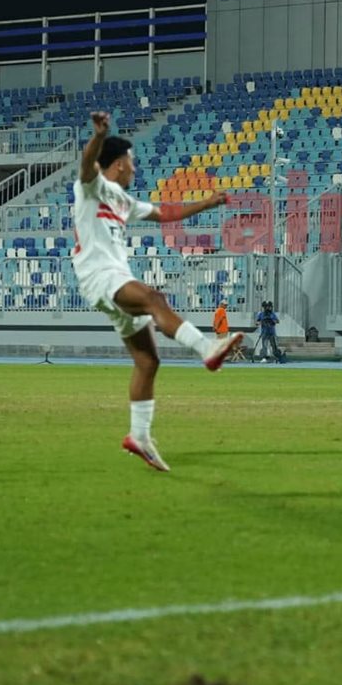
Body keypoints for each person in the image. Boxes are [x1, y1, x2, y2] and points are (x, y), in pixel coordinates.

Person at [73, 111, 243, 472]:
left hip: (115, 276)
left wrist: (209, 203)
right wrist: (99, 137)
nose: (135, 168)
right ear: (118, 164)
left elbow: (167, 213)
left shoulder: (123, 200)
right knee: (154, 299)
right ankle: (207, 348)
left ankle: (140, 436)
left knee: (148, 361)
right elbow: (87, 164)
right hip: (99, 275)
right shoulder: (92, 187)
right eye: (131, 162)